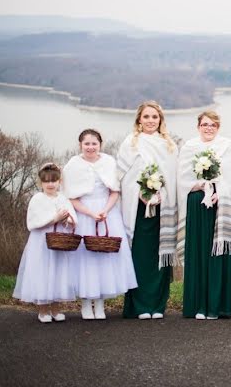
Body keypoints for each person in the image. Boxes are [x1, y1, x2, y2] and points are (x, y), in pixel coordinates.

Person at [64, 129, 137, 320]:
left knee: (105, 259)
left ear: (100, 144)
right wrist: (90, 213)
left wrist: (105, 210)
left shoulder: (109, 162)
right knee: (85, 260)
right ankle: (86, 304)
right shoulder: (73, 164)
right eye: (86, 144)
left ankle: (101, 304)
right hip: (84, 214)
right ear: (80, 145)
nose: (90, 147)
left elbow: (115, 191)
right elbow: (71, 196)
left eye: (94, 143)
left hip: (107, 214)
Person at [116, 101, 178, 319]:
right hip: (138, 211)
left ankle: (157, 305)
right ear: (139, 120)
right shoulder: (130, 144)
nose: (151, 121)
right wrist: (140, 193)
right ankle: (140, 306)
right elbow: (122, 177)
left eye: (154, 117)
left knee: (159, 257)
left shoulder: (169, 145)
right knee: (140, 257)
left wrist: (162, 193)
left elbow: (173, 178)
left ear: (160, 120)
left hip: (162, 210)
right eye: (146, 117)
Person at [176, 111, 231, 320]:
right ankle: (198, 306)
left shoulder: (227, 146)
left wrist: (219, 192)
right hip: (197, 203)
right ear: (198, 126)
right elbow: (182, 177)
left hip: (220, 205)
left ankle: (217, 305)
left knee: (216, 253)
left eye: (213, 125)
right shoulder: (189, 147)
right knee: (199, 252)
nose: (208, 128)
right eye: (204, 124)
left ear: (218, 127)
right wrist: (200, 185)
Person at [13, 162, 78, 322]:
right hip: (41, 242)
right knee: (43, 273)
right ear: (41, 182)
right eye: (46, 181)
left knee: (57, 272)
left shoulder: (63, 198)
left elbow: (73, 218)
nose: (50, 184)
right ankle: (43, 310)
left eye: (53, 181)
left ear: (59, 182)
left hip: (59, 242)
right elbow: (32, 222)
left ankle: (56, 309)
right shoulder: (37, 199)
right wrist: (53, 218)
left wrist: (66, 220)